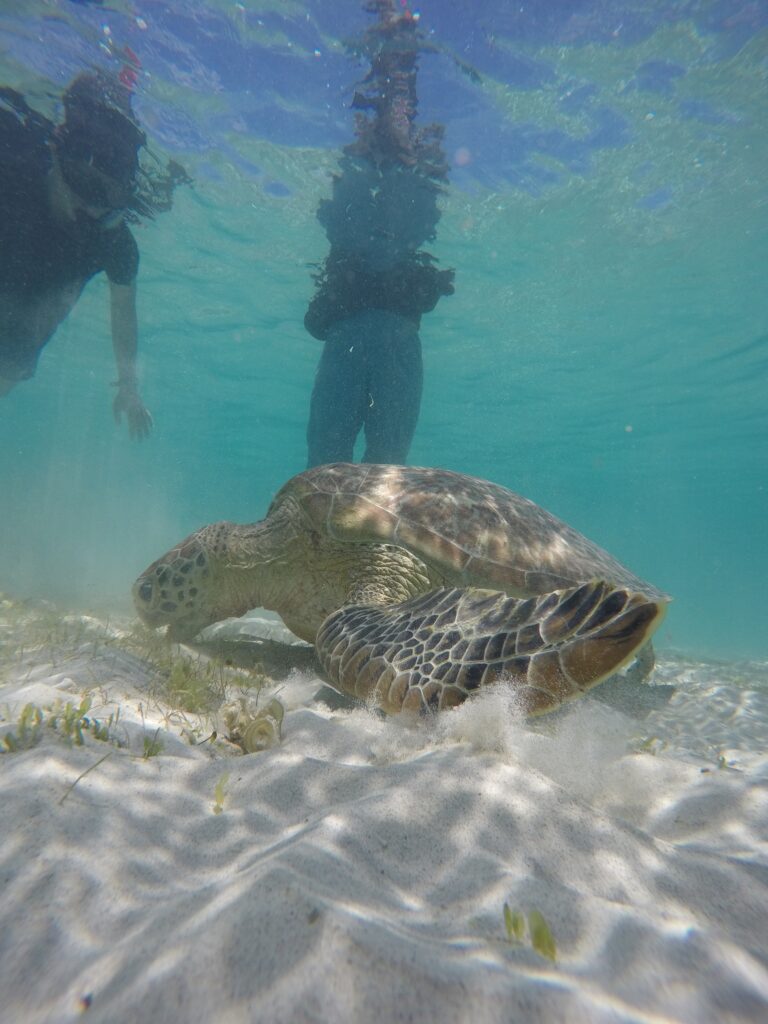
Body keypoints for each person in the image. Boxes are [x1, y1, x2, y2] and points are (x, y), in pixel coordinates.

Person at [304, 0, 454, 468]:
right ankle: (396, 58)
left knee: (362, 468)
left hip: (364, 334)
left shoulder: (367, 203)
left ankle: (393, 59)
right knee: (363, 467)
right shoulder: (383, 204)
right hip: (378, 336)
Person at [0, 71, 183, 438]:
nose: (91, 209)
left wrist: (129, 386)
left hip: (21, 333)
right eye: (82, 184)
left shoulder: (113, 240)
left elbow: (122, 311)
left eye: (107, 198)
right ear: (56, 152)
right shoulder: (12, 176)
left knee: (12, 362)